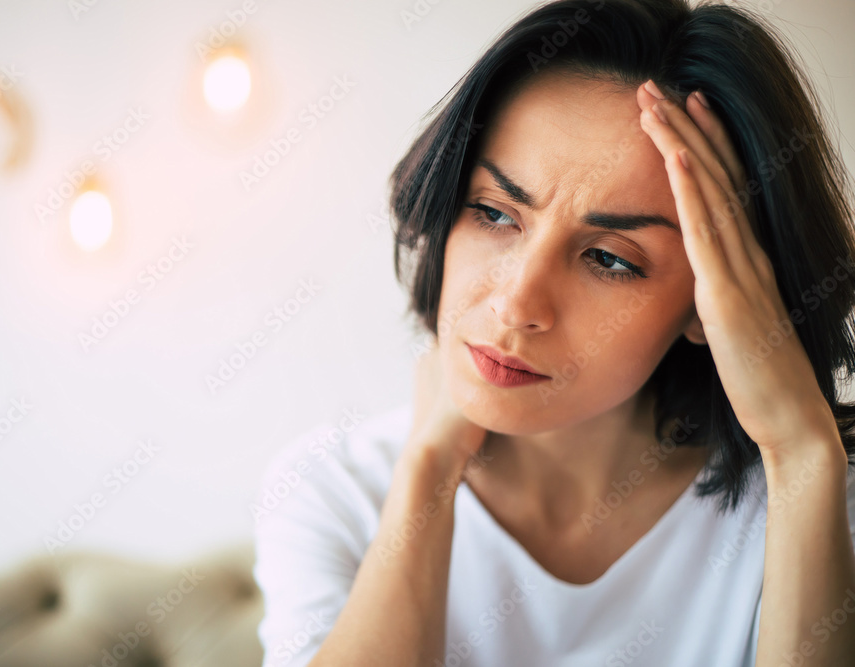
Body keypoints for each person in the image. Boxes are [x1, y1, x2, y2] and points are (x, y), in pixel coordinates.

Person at [252, 0, 855, 665]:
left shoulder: (817, 503)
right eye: (493, 212)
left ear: (717, 301)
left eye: (609, 258)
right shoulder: (332, 490)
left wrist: (802, 452)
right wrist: (427, 471)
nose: (516, 303)